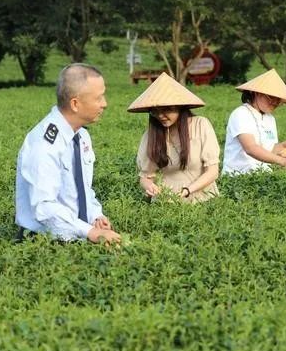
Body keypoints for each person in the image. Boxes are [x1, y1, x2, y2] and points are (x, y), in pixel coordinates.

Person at [15, 64, 120, 244]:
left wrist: (95, 216)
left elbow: (82, 189)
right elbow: (44, 207)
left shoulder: (82, 136)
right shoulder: (44, 144)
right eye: (99, 97)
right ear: (75, 104)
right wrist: (90, 232)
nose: (105, 104)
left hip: (77, 235)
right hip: (43, 242)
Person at [128, 73, 220, 202]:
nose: (160, 116)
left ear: (180, 107)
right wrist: (150, 187)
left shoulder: (200, 125)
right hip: (167, 201)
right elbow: (145, 177)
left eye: (166, 110)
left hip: (203, 199)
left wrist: (188, 190)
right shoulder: (151, 135)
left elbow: (212, 171)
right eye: (155, 111)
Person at [222, 69, 286, 175]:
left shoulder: (270, 119)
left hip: (263, 177)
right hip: (238, 177)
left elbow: (269, 150)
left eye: (278, 99)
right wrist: (282, 161)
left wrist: (285, 145)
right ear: (256, 93)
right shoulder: (241, 114)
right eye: (271, 97)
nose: (274, 102)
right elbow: (251, 148)